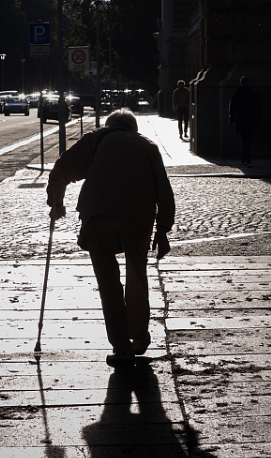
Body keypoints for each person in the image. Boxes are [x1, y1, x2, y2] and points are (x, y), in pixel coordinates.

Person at [46, 108, 175, 368]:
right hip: (138, 217)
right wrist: (162, 230)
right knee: (137, 276)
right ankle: (139, 337)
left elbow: (60, 170)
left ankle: (121, 347)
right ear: (133, 128)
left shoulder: (97, 138)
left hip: (99, 214)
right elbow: (164, 190)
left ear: (110, 126)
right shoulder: (148, 146)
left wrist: (57, 204)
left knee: (108, 282)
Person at [229, 76, 263, 166]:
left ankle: (246, 156)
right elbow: (259, 107)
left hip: (241, 119)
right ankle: (247, 157)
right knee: (249, 139)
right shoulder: (254, 94)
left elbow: (232, 107)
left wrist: (232, 119)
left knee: (244, 139)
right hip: (251, 119)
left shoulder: (237, 94)